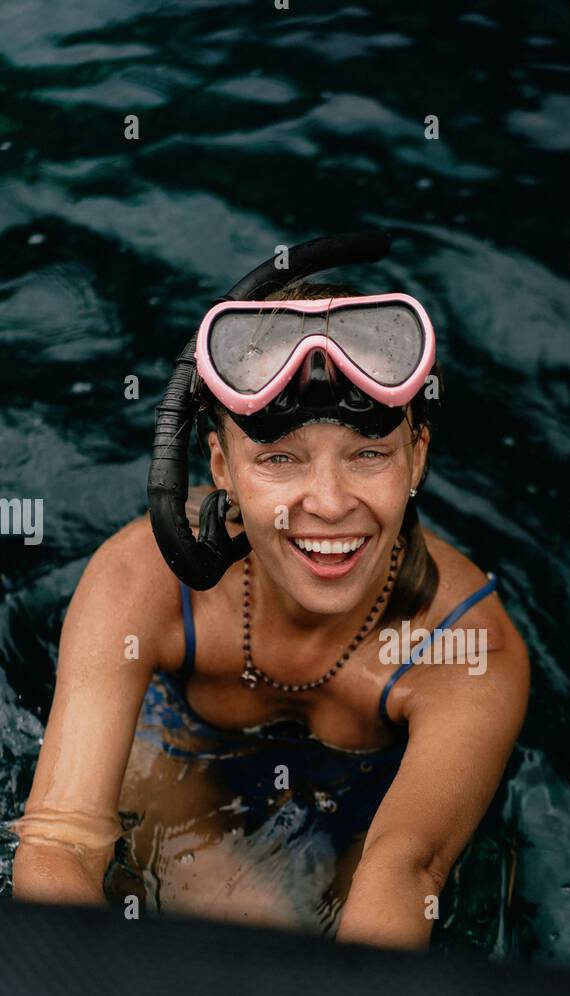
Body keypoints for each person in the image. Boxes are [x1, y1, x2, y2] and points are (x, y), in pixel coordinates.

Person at [11, 231, 529, 950]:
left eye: (369, 454)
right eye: (279, 459)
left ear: (418, 459)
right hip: (183, 762)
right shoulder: (140, 582)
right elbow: (62, 838)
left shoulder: (466, 646)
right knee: (217, 908)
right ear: (219, 466)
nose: (327, 502)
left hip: (376, 811)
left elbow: (404, 868)